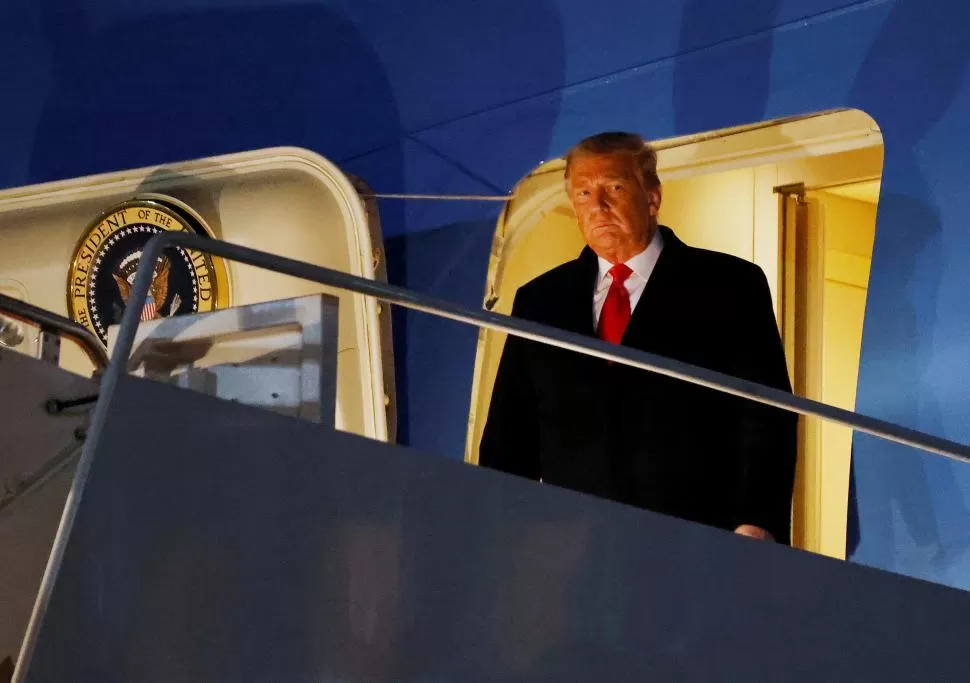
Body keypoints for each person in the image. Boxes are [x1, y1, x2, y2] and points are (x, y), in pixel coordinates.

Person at [479, 132, 797, 544]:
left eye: (614, 187)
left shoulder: (730, 286)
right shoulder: (539, 301)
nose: (598, 206)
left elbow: (766, 416)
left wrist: (757, 522)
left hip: (698, 544)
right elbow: (510, 434)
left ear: (652, 197)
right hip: (573, 552)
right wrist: (498, 535)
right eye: (583, 193)